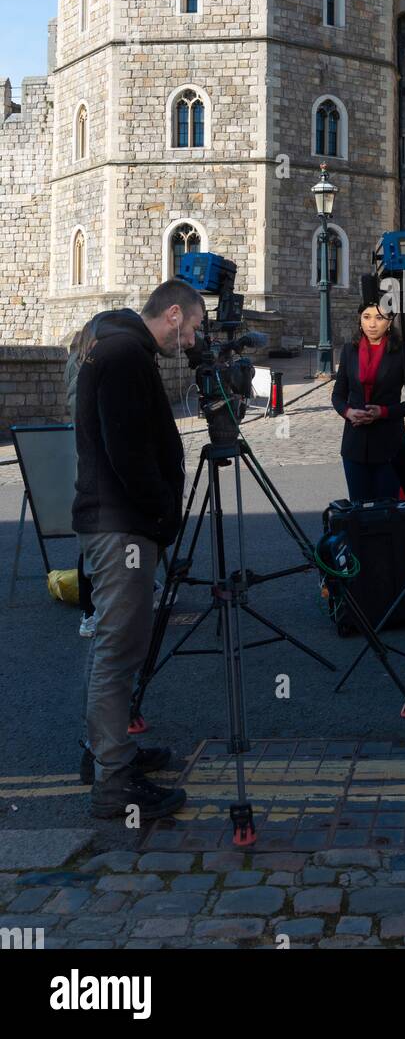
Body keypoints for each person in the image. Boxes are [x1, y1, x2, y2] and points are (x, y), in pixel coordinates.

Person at [73, 278, 205, 819]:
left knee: (116, 643)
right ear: (173, 313)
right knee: (118, 647)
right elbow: (126, 449)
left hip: (117, 520)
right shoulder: (126, 352)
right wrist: (160, 514)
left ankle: (107, 752)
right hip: (121, 523)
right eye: (193, 327)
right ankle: (113, 785)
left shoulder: (118, 342)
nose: (193, 341)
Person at [331, 302, 405, 502]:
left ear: (389, 322)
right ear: (359, 320)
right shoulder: (348, 351)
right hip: (354, 445)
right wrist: (348, 412)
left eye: (379, 318)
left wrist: (383, 412)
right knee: (359, 511)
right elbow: (337, 395)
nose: (372, 324)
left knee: (386, 513)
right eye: (366, 317)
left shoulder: (404, 352)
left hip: (389, 446)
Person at [65, 324, 97, 637]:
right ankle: (90, 612)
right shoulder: (83, 377)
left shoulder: (81, 370)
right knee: (91, 544)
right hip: (92, 471)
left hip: (89, 468)